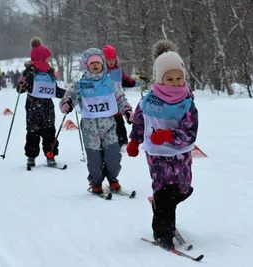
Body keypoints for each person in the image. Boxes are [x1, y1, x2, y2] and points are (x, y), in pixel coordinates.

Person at [126, 39, 199, 250]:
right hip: (157, 153)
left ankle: (164, 207)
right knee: (165, 190)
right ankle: (163, 232)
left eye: (179, 78)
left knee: (182, 189)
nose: (176, 82)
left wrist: (169, 134)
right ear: (159, 79)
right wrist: (134, 140)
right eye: (169, 78)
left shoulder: (187, 102)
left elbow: (190, 133)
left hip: (181, 153)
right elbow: (139, 119)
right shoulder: (149, 101)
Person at [59, 48, 134, 194]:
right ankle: (96, 181)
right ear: (86, 65)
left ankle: (113, 179)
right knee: (95, 161)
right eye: (91, 62)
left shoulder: (110, 83)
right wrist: (67, 103)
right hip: (89, 129)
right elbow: (70, 96)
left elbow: (121, 99)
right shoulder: (81, 84)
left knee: (113, 157)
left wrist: (127, 110)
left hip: (109, 127)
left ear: (103, 64)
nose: (94, 65)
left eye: (97, 62)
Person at [15, 37, 66, 167]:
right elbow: (20, 89)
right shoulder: (30, 71)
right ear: (41, 58)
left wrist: (66, 94)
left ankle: (50, 155)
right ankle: (31, 157)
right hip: (33, 108)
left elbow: (53, 89)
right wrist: (21, 85)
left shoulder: (49, 72)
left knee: (49, 133)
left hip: (47, 108)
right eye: (48, 58)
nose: (49, 60)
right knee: (33, 133)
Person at [103, 44, 138, 149]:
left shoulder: (118, 70)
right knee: (107, 124)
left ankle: (123, 142)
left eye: (113, 59)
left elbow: (125, 80)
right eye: (108, 59)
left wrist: (134, 83)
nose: (111, 61)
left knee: (119, 123)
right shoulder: (102, 71)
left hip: (117, 101)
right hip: (105, 102)